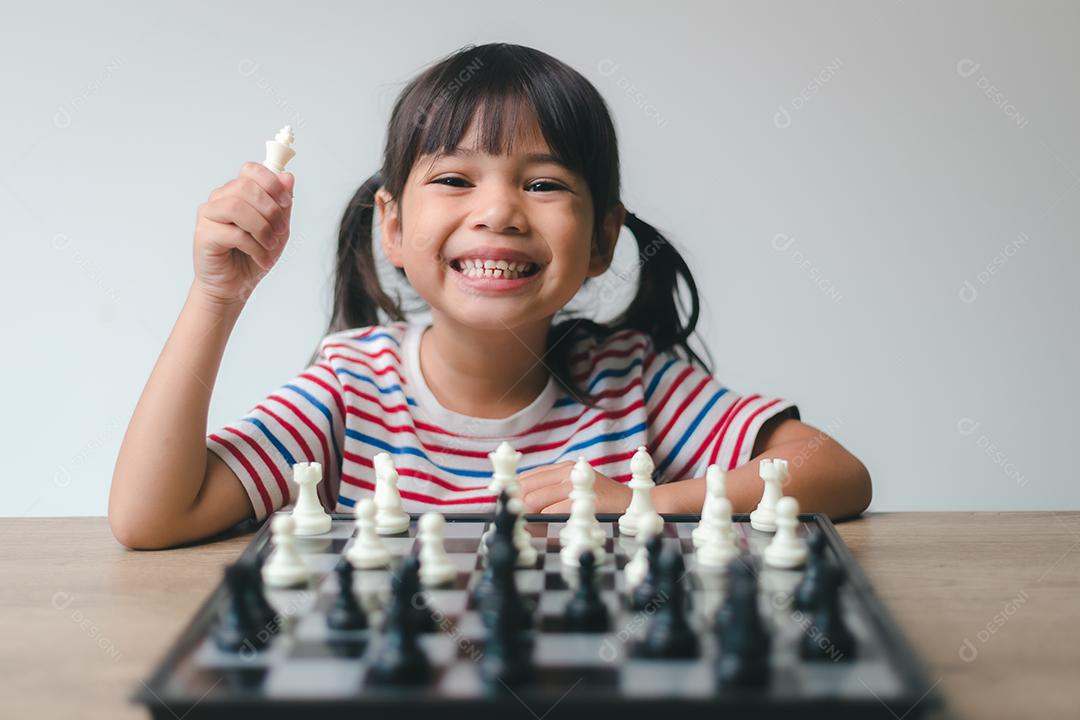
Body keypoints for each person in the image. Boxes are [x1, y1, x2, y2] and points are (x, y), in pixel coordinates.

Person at [109, 43, 870, 550]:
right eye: (454, 179)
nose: (499, 212)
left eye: (543, 185)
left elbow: (834, 469)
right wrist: (217, 296)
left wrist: (651, 501)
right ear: (395, 228)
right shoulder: (350, 385)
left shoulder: (632, 380)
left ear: (603, 239)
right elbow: (151, 518)